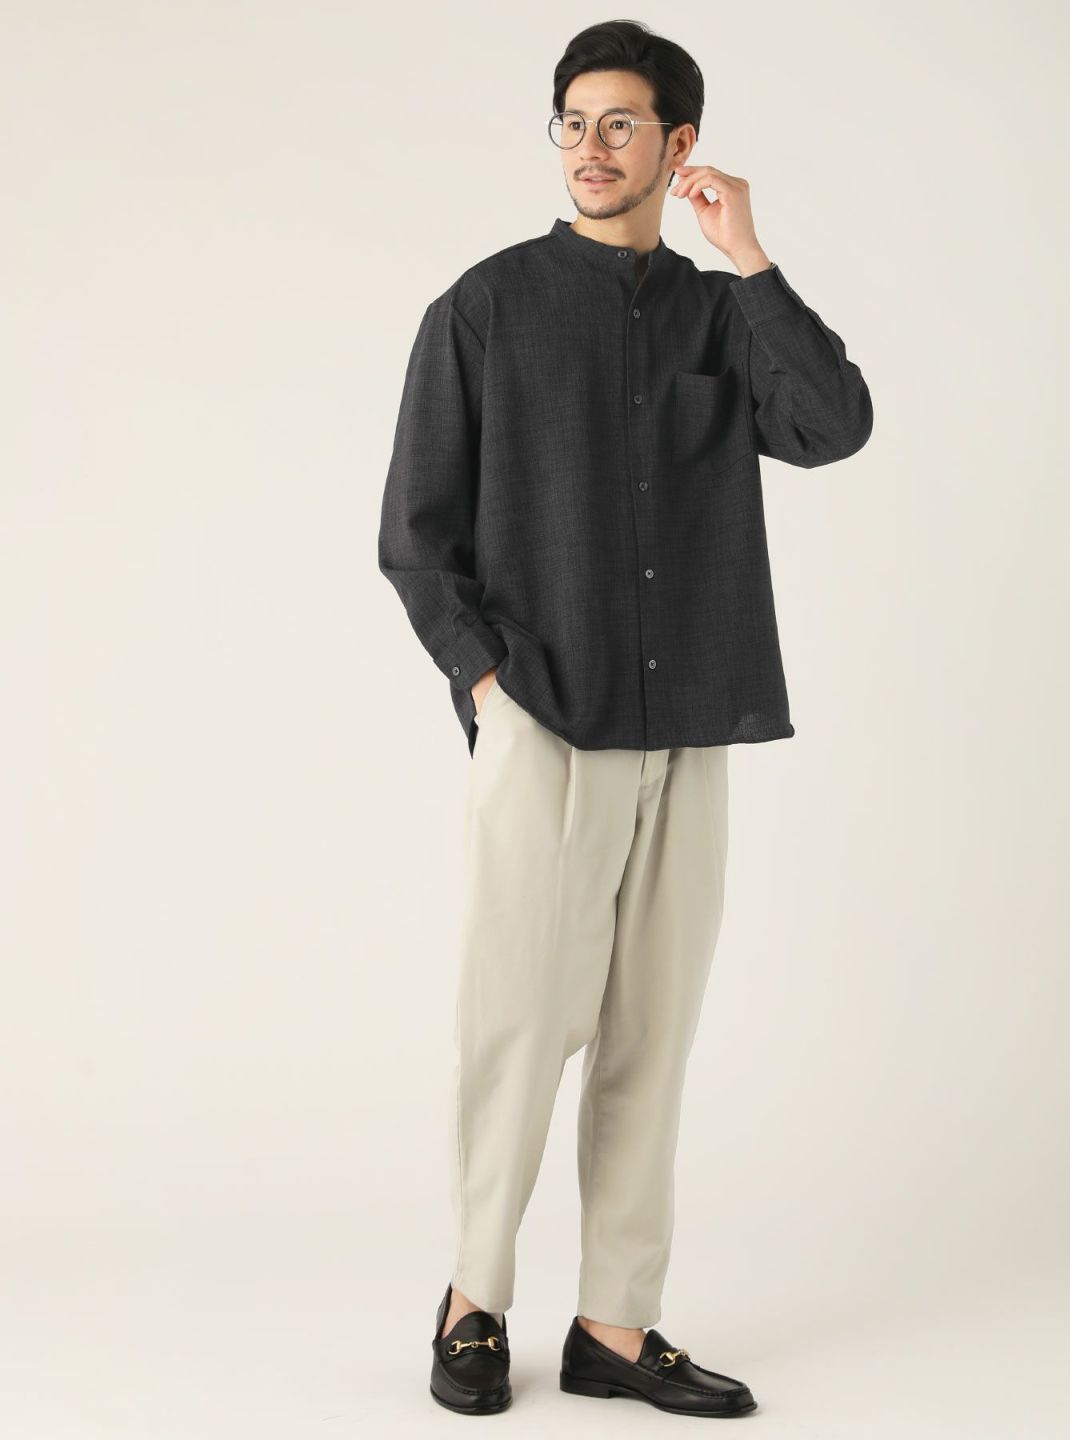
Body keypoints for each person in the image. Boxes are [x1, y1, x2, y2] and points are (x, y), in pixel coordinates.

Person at [377, 19, 872, 1419]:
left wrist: (750, 257)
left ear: (678, 145)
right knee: (518, 1031)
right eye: (573, 122)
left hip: (688, 718)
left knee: (653, 1036)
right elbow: (416, 536)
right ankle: (474, 1302)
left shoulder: (722, 313)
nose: (591, 148)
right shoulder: (485, 307)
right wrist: (491, 687)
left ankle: (614, 1323)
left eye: (621, 124)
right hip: (546, 716)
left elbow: (831, 424)